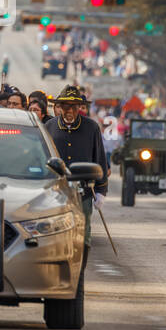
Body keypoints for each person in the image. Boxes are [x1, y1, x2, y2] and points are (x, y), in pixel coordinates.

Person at [45, 86, 108, 252]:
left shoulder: (92, 127)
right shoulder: (49, 126)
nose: (70, 111)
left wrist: (101, 191)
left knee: (83, 236)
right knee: (54, 232)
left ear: (80, 107)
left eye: (74, 106)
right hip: (55, 191)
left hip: (84, 192)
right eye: (66, 106)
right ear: (59, 107)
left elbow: (100, 159)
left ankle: (81, 267)